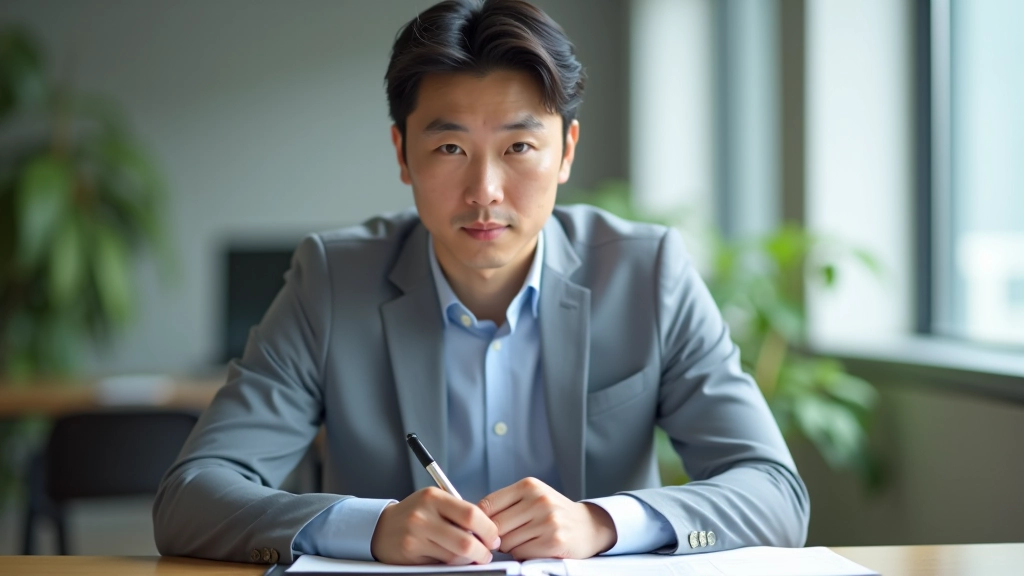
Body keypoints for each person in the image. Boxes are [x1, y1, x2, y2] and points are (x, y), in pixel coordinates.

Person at [153, 0, 809, 567]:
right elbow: (191, 497)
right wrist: (370, 527)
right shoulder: (331, 280)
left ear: (567, 151)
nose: (485, 192)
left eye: (519, 148)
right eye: (450, 149)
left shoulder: (648, 273)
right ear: (402, 154)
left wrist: (602, 524)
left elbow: (774, 493)